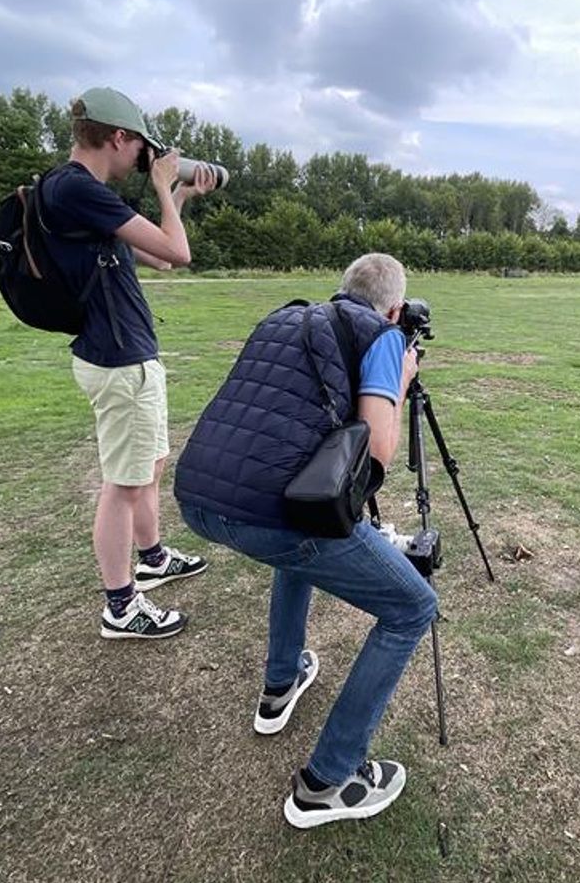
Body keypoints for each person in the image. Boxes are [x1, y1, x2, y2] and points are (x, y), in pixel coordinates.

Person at [174, 253, 436, 829]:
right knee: (413, 607)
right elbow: (379, 453)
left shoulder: (282, 317)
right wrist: (400, 377)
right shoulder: (384, 336)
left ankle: (282, 680)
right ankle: (330, 780)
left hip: (200, 498)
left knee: (298, 553)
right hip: (271, 514)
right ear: (394, 309)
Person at [44, 86, 217, 640]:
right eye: (140, 146)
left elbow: (161, 257)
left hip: (127, 355)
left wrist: (179, 197)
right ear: (117, 137)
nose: (142, 158)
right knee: (121, 484)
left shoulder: (78, 195)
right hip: (118, 361)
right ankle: (121, 605)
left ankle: (153, 558)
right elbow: (181, 255)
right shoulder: (77, 189)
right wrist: (164, 186)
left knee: (147, 467)